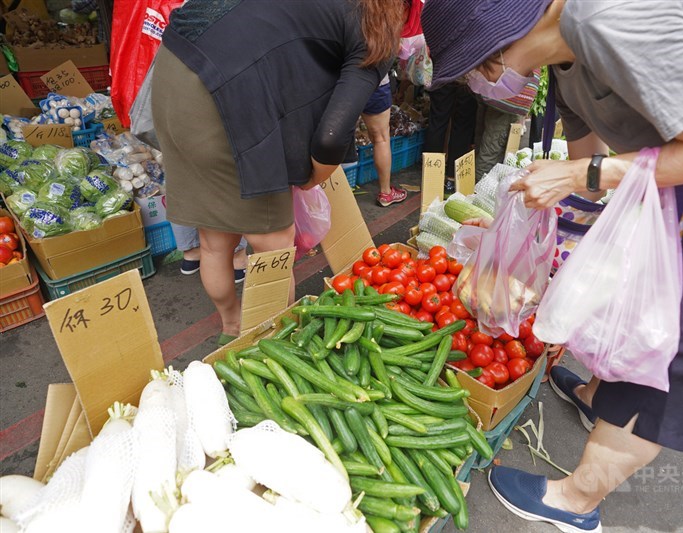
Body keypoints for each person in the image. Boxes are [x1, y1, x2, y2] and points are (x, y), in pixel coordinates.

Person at [422, 1, 683, 531]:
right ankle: (596, 396)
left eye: (479, 69)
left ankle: (574, 501)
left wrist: (580, 175)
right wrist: (540, 235)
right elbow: (588, 159)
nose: (485, 84)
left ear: (499, 42)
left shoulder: (604, 18)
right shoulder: (566, 61)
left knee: (674, 359)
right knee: (645, 308)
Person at [152, 0, 407, 345]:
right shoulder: (375, 24)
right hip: (229, 91)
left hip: (174, 75)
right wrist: (310, 179)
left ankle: (230, 326)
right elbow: (331, 139)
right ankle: (276, 340)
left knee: (213, 242)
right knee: (273, 246)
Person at [422, 81, 478, 195]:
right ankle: (451, 179)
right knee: (462, 127)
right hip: (468, 76)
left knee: (437, 121)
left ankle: (431, 176)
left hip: (444, 74)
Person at [361, 77, 408, 207]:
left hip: (342, 82)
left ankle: (332, 191)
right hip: (374, 81)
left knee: (339, 133)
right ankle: (385, 193)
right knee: (380, 138)